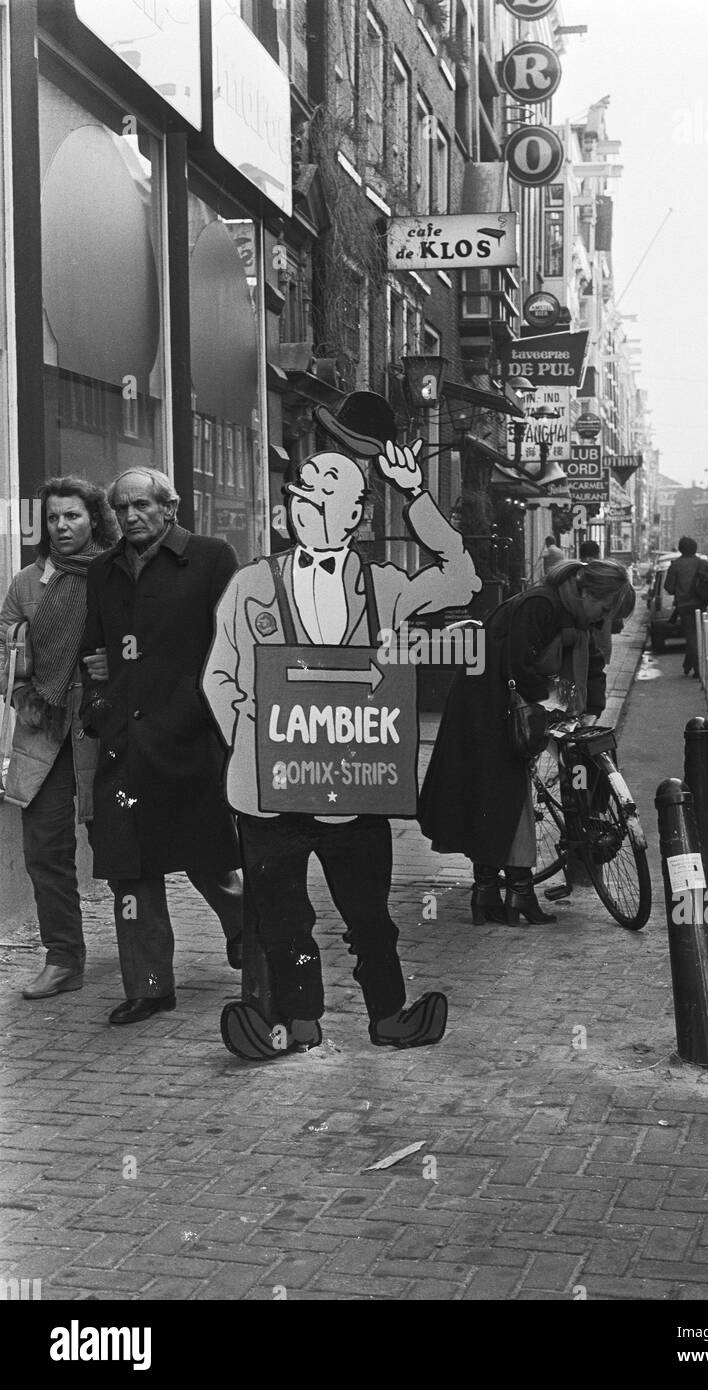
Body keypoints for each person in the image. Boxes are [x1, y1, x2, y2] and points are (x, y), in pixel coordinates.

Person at [201, 391, 481, 1061]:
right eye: (303, 491)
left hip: (357, 784)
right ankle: (297, 1024)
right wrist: (262, 732)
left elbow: (462, 577)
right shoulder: (250, 585)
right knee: (282, 917)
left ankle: (389, 1016)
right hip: (272, 791)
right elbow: (219, 676)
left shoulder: (385, 585)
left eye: (330, 492)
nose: (311, 501)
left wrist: (415, 497)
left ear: (357, 516)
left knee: (369, 917)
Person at [79, 467, 243, 1025]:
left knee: (209, 858)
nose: (130, 517)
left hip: (191, 738)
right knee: (132, 870)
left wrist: (206, 716)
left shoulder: (211, 558)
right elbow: (93, 650)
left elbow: (233, 646)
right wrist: (98, 708)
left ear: (169, 507)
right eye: (121, 508)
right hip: (125, 743)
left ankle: (247, 932)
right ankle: (149, 985)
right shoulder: (103, 571)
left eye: (142, 505)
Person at [418, 560, 635, 927]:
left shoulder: (570, 614)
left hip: (502, 706)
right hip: (486, 708)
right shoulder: (542, 606)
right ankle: (515, 894)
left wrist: (590, 708)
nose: (602, 620)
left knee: (496, 798)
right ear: (585, 592)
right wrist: (559, 702)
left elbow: (592, 664)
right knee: (505, 797)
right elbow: (519, 667)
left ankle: (488, 893)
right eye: (604, 610)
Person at [0, 477, 120, 1000]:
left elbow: (148, 644)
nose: (61, 527)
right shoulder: (28, 582)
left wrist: (113, 666)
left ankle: (229, 921)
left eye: (72, 516)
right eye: (52, 518)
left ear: (93, 518)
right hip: (44, 734)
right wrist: (21, 675)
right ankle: (63, 957)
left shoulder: (118, 573)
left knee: (122, 847)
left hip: (102, 729)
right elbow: (1, 644)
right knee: (45, 850)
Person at [663, 537, 708, 678]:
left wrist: (679, 588)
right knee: (698, 634)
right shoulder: (702, 563)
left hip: (684, 606)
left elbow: (669, 588)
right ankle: (689, 664)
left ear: (680, 548)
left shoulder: (675, 565)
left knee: (691, 635)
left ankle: (697, 668)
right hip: (700, 603)